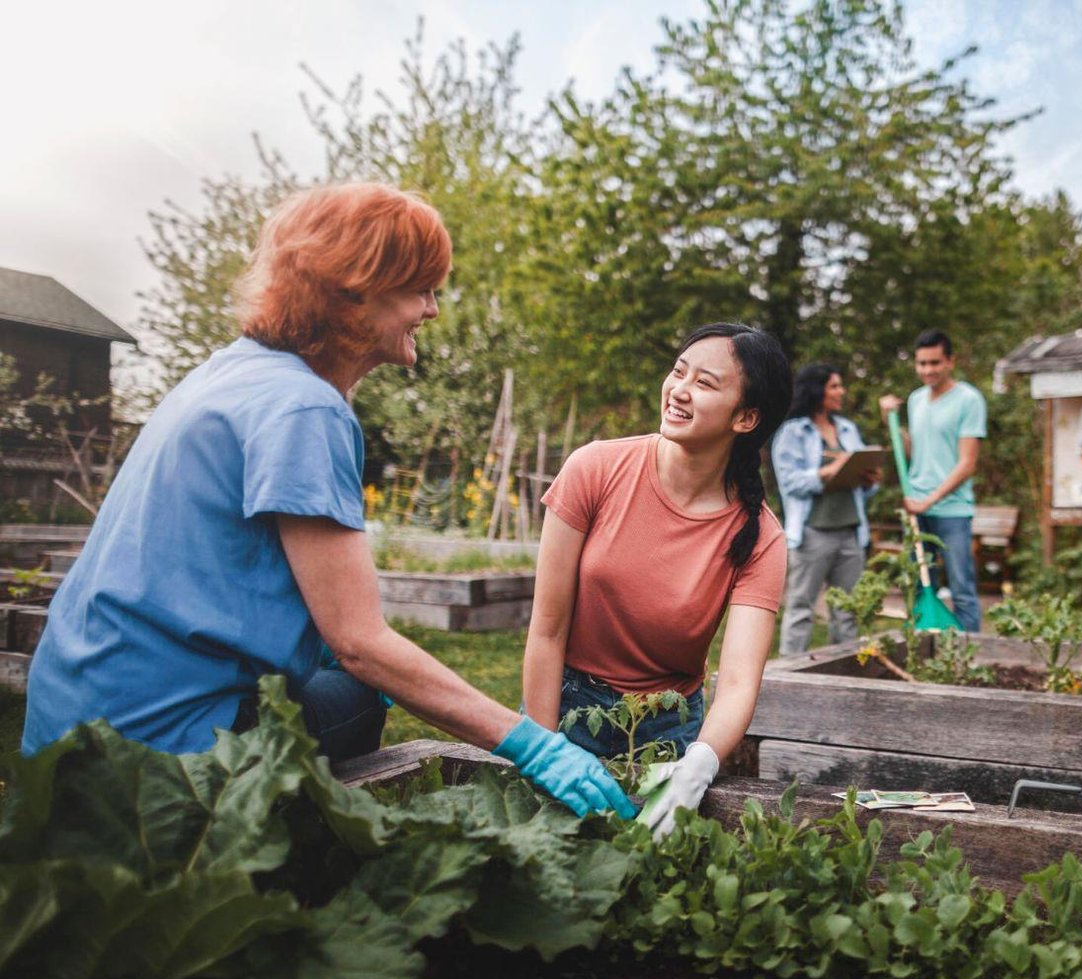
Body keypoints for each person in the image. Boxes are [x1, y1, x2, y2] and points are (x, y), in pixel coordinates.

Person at [23, 183, 633, 821]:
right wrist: (533, 745)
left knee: (336, 681)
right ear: (355, 291)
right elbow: (360, 642)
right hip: (160, 750)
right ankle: (263, 842)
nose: (431, 310)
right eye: (420, 289)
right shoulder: (304, 409)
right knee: (362, 693)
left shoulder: (229, 372)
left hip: (72, 721)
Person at [523, 322, 790, 837]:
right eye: (678, 371)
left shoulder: (761, 538)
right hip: (566, 707)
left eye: (705, 383)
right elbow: (547, 629)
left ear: (746, 417)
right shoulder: (595, 468)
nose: (679, 390)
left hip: (668, 732)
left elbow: (738, 681)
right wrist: (542, 746)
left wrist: (701, 762)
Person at [877, 329, 987, 632]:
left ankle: (971, 651)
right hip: (916, 507)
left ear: (950, 361)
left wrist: (930, 500)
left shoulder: (969, 400)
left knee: (961, 588)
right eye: (922, 364)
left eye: (934, 363)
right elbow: (914, 452)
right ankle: (924, 648)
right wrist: (891, 423)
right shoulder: (916, 400)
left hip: (952, 510)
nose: (927, 370)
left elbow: (967, 463)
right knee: (919, 585)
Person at [771, 363, 880, 654]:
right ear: (816, 390)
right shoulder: (793, 432)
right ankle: (789, 671)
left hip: (851, 533)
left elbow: (863, 487)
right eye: (834, 386)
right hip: (812, 535)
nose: (841, 392)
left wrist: (869, 479)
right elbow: (790, 482)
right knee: (801, 608)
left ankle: (843, 671)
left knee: (848, 611)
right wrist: (829, 471)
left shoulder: (847, 429)